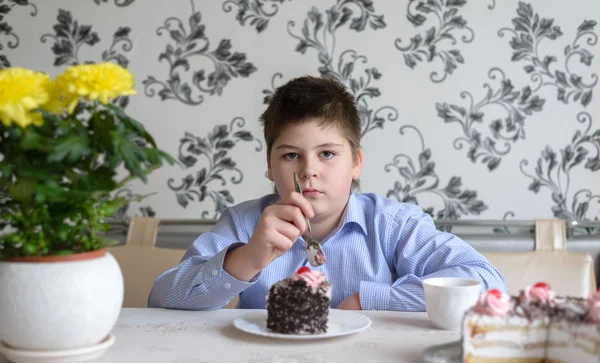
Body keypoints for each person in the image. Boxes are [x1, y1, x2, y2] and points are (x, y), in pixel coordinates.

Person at [148, 75, 506, 311]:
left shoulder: (393, 225)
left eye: (328, 154)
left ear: (356, 164)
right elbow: (160, 300)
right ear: (270, 168)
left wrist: (369, 301)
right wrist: (246, 259)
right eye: (291, 155)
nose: (308, 171)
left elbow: (487, 283)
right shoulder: (245, 224)